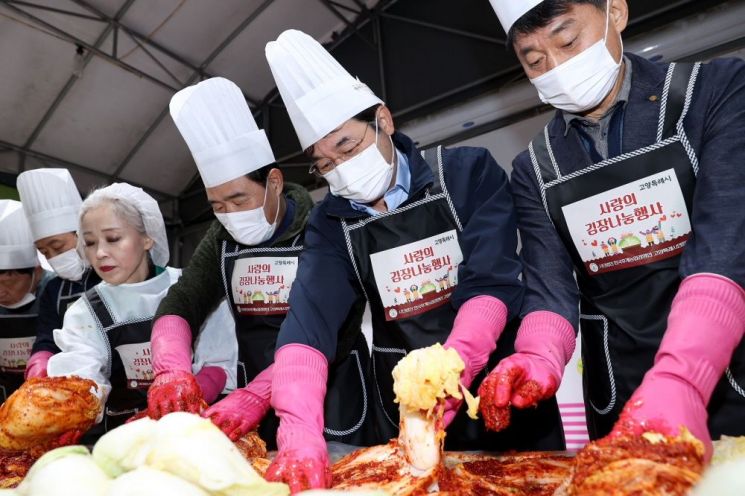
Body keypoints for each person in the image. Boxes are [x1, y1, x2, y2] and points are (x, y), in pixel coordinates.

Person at [262, 29, 564, 491]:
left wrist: (450, 370)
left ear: (383, 119)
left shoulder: (466, 173)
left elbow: (491, 280)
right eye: (323, 164)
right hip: (411, 413)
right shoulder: (330, 223)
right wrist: (298, 426)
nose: (340, 168)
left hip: (498, 390)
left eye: (346, 146)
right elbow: (309, 323)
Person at [484, 0, 745, 457]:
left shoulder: (713, 92)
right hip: (621, 384)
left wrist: (682, 377)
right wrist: (539, 354)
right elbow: (550, 288)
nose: (557, 67)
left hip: (728, 368)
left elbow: (725, 243)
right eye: (536, 60)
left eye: (568, 40)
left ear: (616, 12)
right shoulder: (536, 166)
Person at [147, 77, 371, 447]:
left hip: (333, 398)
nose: (230, 214)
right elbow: (184, 299)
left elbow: (337, 331)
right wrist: (170, 368)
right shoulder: (221, 238)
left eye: (239, 200)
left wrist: (261, 393)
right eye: (217, 206)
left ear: (275, 182)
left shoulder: (323, 228)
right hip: (249, 403)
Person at [47, 183, 235, 437]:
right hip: (125, 441)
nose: (100, 253)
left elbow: (222, 362)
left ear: (147, 238)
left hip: (195, 434)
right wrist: (67, 402)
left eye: (113, 239)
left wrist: (198, 388)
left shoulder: (193, 288)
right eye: (90, 243)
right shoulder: (85, 313)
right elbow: (79, 379)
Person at [17, 168, 101, 379]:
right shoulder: (52, 290)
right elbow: (46, 337)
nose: (53, 257)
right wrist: (40, 359)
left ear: (82, 234)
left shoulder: (111, 274)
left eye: (58, 246)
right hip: (73, 385)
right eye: (44, 252)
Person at [0, 200, 54, 400]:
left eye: (8, 282)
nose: (1, 292)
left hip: (47, 394)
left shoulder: (57, 290)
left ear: (36, 272)